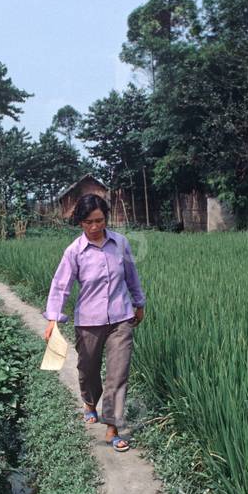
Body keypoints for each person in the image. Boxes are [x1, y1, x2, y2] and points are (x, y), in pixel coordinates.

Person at [43, 193, 146, 452]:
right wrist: (53, 319)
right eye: (88, 222)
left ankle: (112, 427)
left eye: (100, 220)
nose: (95, 227)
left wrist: (139, 302)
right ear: (80, 222)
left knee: (118, 374)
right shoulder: (74, 252)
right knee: (88, 369)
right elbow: (61, 286)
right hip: (88, 321)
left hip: (121, 318)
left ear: (106, 219)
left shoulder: (120, 243)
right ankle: (90, 402)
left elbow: (131, 275)